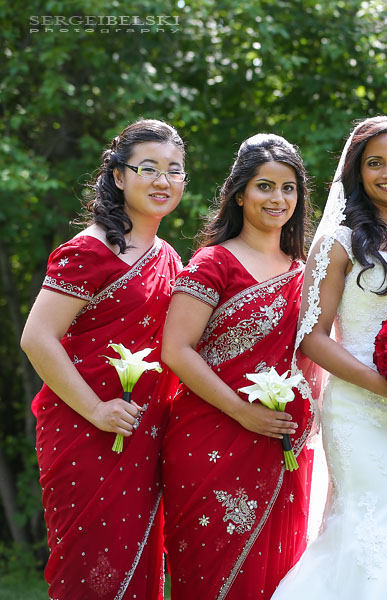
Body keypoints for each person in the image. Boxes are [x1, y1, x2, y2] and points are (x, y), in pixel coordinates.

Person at [271, 116, 387, 599]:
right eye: (374, 163)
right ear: (357, 173)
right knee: (377, 533)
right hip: (360, 409)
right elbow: (311, 338)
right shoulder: (338, 241)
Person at [19, 119, 185, 599]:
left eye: (174, 171)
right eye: (148, 169)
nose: (163, 181)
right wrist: (96, 409)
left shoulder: (167, 256)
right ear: (118, 175)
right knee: (90, 572)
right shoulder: (88, 252)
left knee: (138, 572)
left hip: (141, 431)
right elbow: (37, 338)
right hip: (85, 430)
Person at [160, 134, 314, 599]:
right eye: (265, 186)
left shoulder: (305, 272)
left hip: (282, 444)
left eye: (289, 188)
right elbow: (176, 349)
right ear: (240, 193)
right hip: (211, 433)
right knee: (210, 573)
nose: (278, 198)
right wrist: (242, 411)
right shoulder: (213, 262)